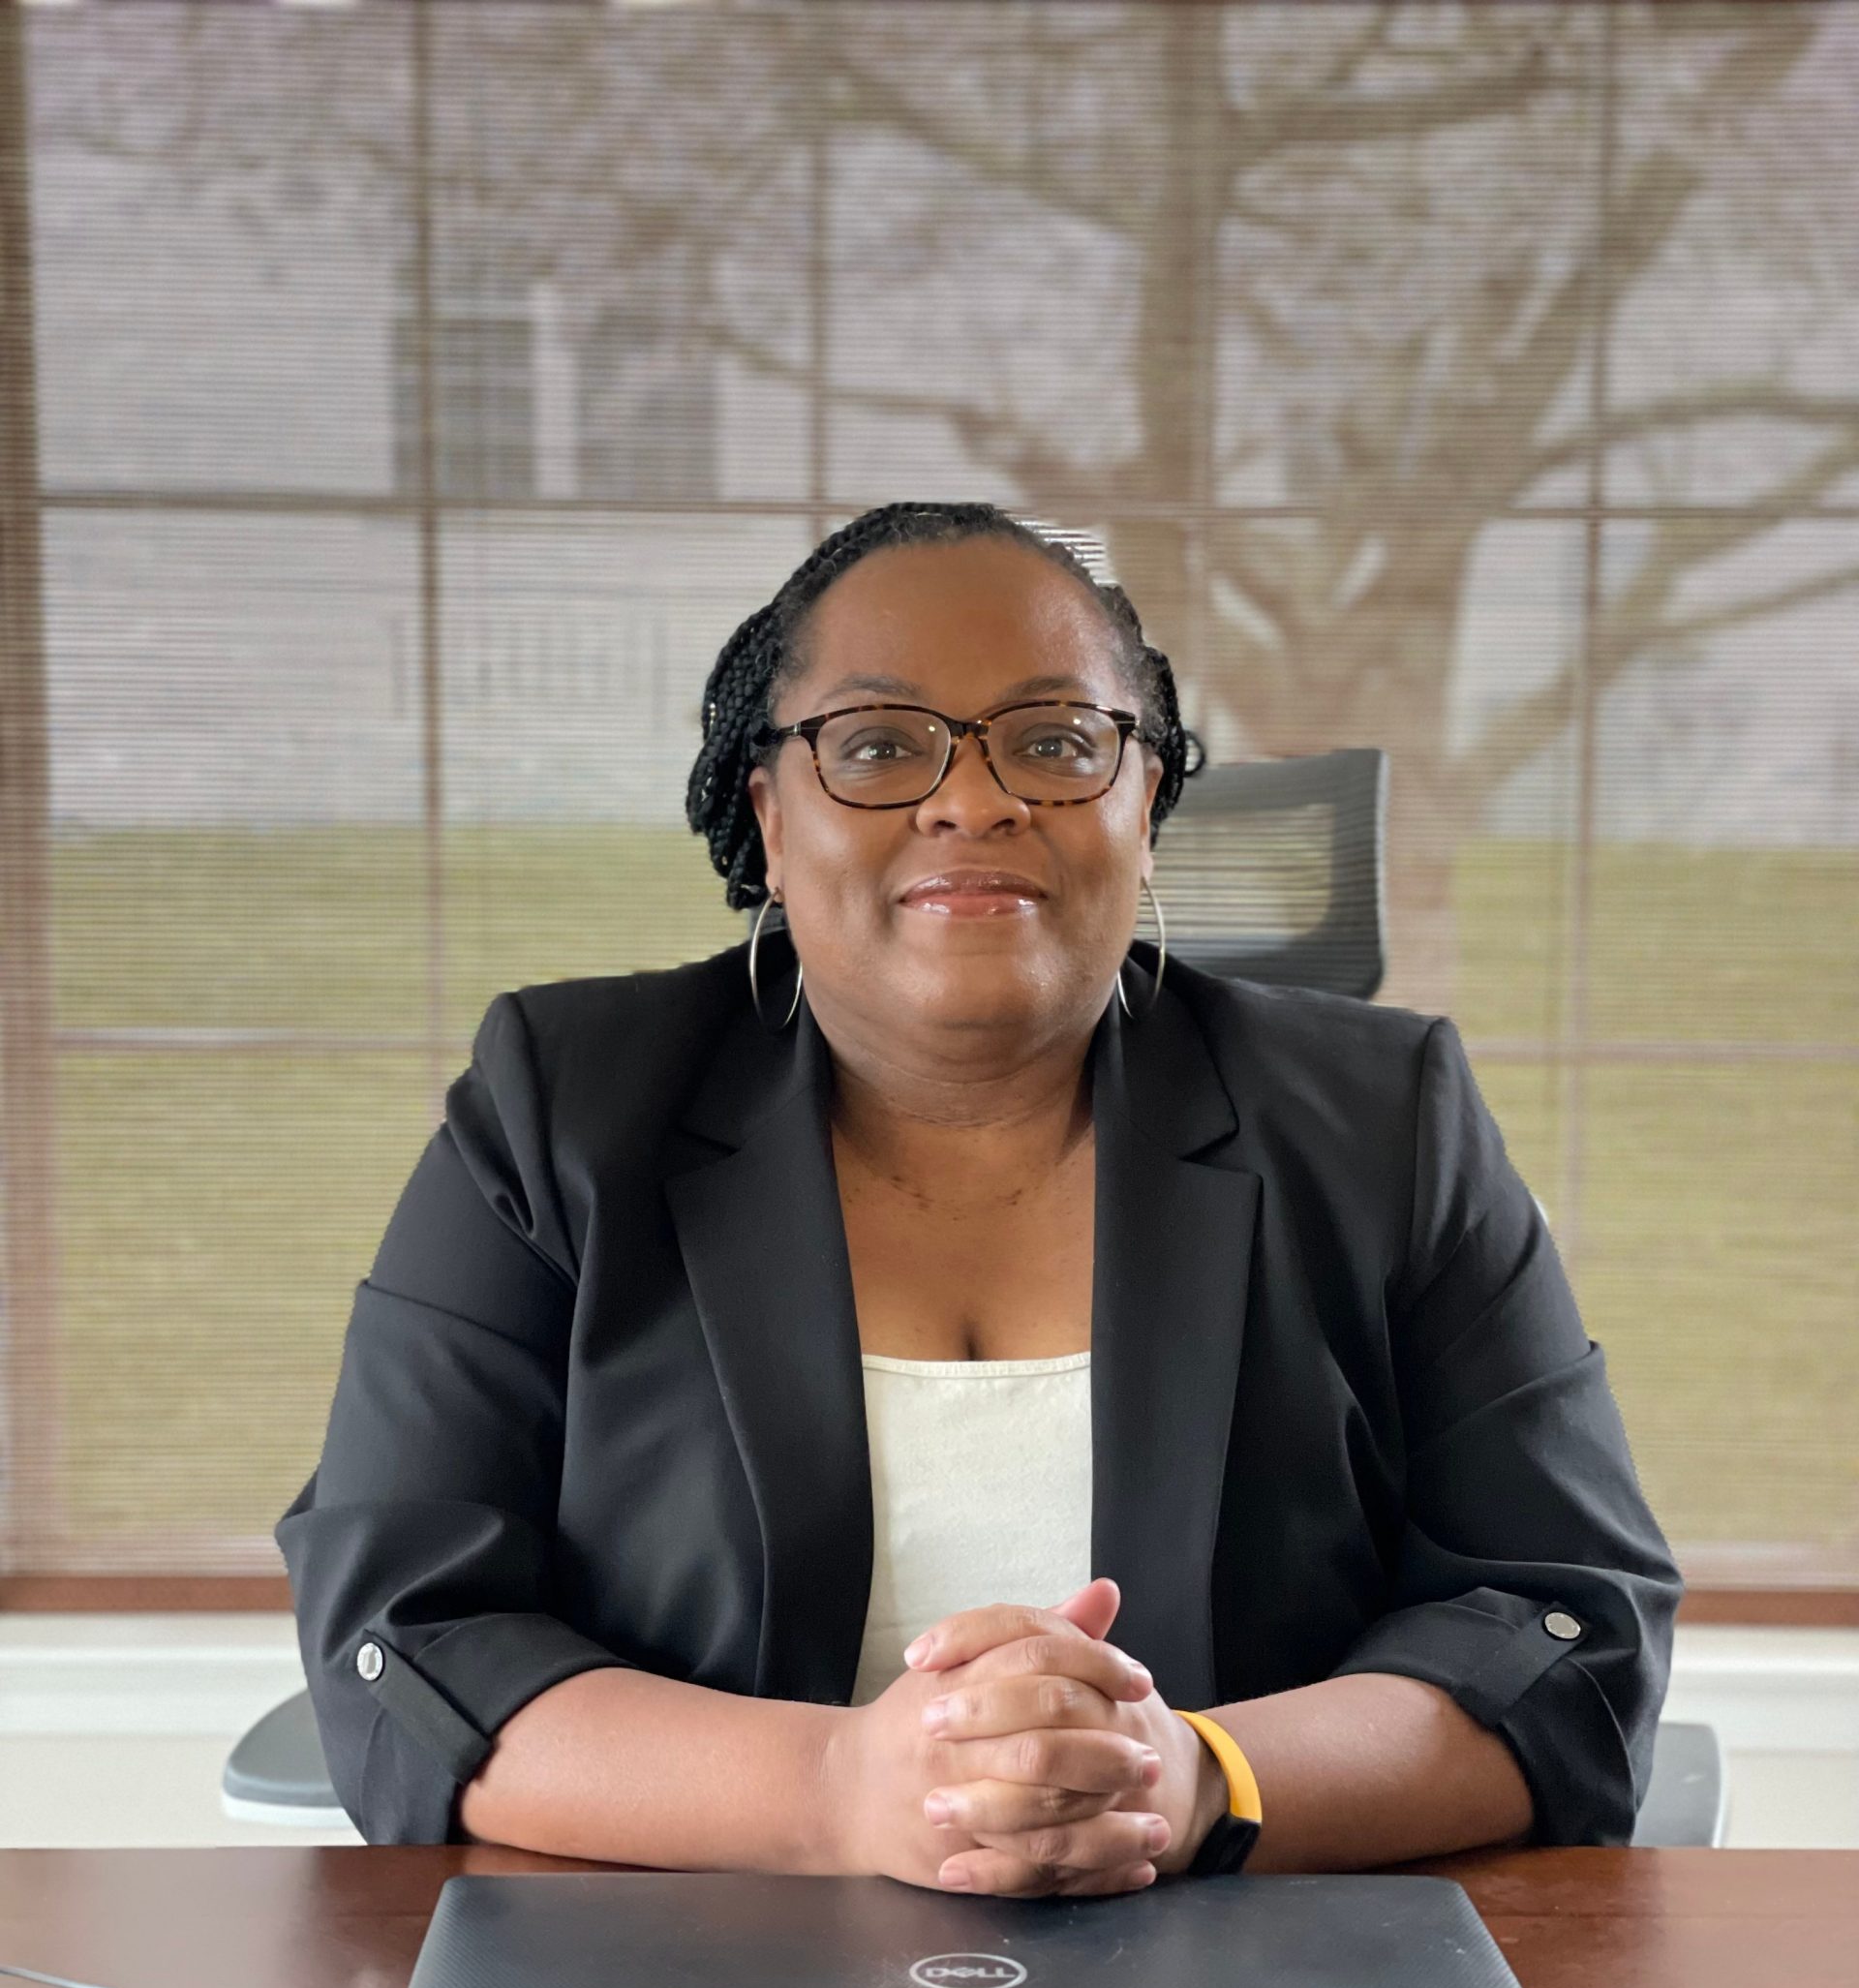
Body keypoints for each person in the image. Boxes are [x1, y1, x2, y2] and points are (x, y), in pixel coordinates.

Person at [279, 500, 1680, 1895]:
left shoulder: (1386, 1122)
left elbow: (1570, 1627)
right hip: (687, 1964)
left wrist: (1193, 1779)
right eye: (878, 744)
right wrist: (838, 1794)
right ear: (771, 819)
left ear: (1147, 807)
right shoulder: (562, 1112)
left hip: (1266, 1966)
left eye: (1056, 742)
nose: (973, 800)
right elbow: (407, 1635)